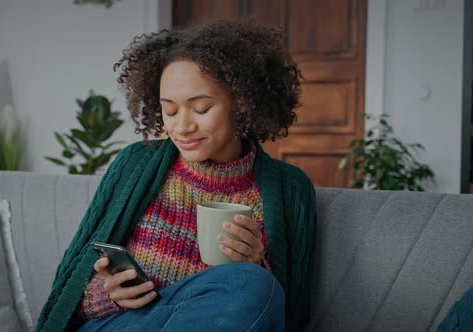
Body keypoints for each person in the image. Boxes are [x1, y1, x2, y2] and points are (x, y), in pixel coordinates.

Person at [36, 20, 316, 332]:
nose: (182, 127)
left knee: (251, 285)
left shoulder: (290, 188)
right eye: (170, 111)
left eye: (200, 109)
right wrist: (105, 295)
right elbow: (70, 287)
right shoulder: (135, 164)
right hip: (121, 325)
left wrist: (257, 265)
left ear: (242, 103)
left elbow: (286, 311)